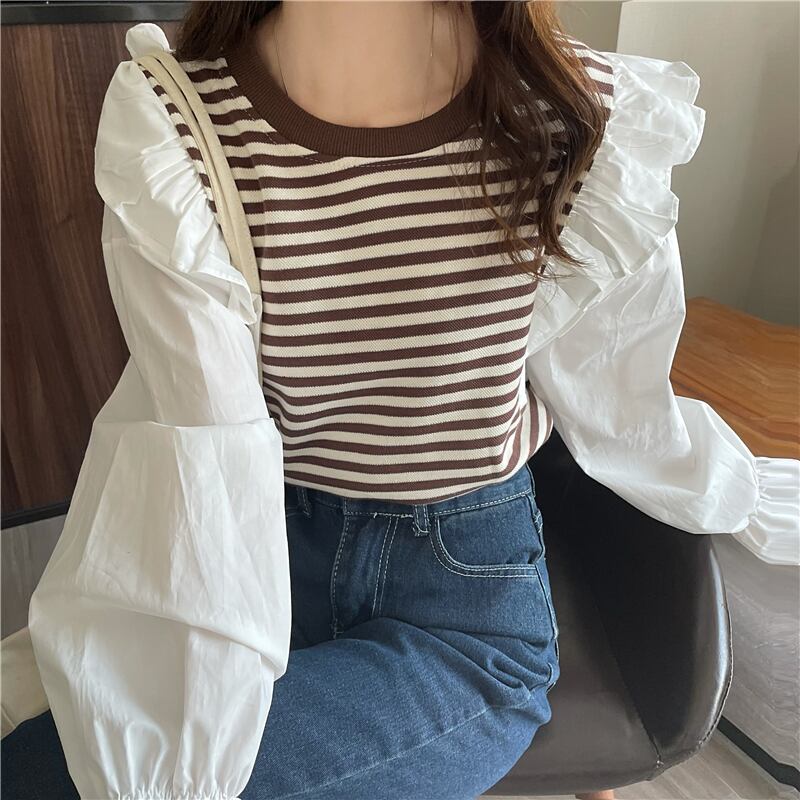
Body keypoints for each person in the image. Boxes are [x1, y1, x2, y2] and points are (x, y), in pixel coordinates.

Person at [4, 2, 798, 800]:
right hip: (264, 552)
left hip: (466, 602)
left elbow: (616, 398)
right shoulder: (179, 122)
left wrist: (738, 493)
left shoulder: (581, 120)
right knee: (80, 768)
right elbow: (207, 445)